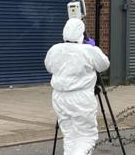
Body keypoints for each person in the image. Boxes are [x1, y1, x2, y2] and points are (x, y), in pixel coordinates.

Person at [44, 18, 110, 155]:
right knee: (86, 135)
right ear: (82, 33)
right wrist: (92, 47)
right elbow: (104, 65)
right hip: (81, 98)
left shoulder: (54, 49)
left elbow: (49, 67)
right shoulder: (89, 50)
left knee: (69, 134)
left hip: (60, 97)